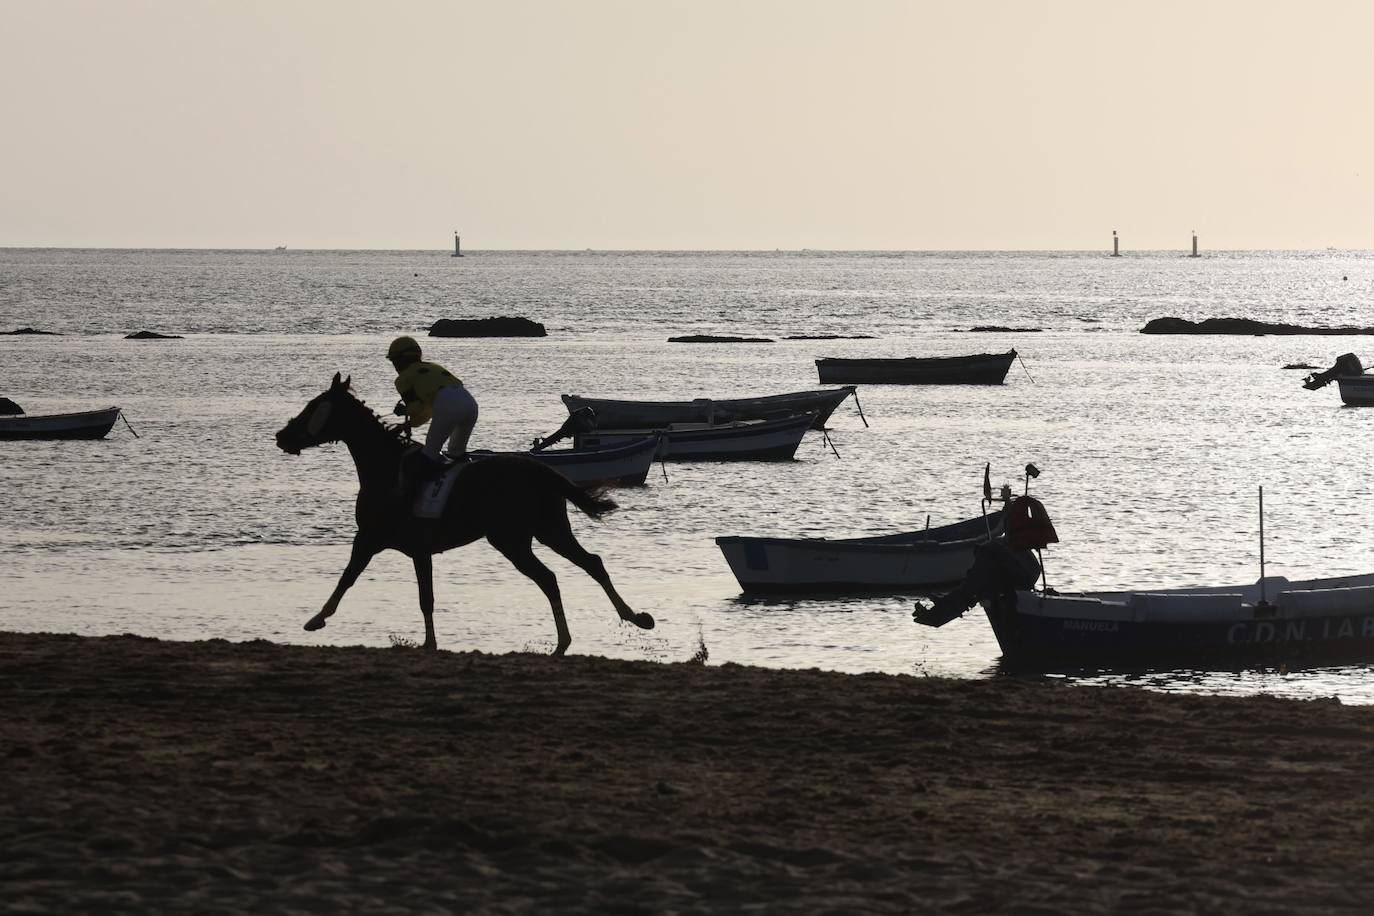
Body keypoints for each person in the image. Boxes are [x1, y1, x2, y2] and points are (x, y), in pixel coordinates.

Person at [386, 336, 478, 479]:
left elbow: (416, 409)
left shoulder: (403, 379)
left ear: (401, 359)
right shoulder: (434, 367)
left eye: (394, 361)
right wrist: (408, 424)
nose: (395, 366)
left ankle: (424, 498)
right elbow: (427, 411)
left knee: (429, 455)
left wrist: (404, 412)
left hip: (447, 405)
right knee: (456, 453)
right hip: (470, 403)